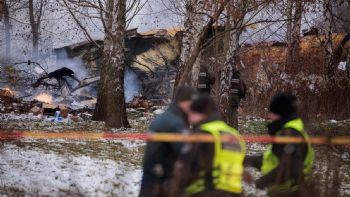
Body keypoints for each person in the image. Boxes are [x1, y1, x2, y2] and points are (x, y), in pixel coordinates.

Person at [172, 95, 246, 197]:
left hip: (207, 191)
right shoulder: (235, 135)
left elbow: (190, 167)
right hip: (234, 192)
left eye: (193, 114)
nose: (190, 119)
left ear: (202, 114)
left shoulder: (204, 134)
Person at [244, 93, 314, 197]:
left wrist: (262, 181)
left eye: (272, 112)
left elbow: (290, 167)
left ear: (280, 114)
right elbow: (270, 161)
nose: (269, 116)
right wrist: (245, 160)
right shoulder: (288, 132)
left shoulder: (289, 134)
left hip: (292, 193)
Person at [139, 86, 197, 197]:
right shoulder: (175, 123)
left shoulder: (168, 118)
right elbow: (188, 153)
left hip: (153, 181)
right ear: (185, 102)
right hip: (160, 185)